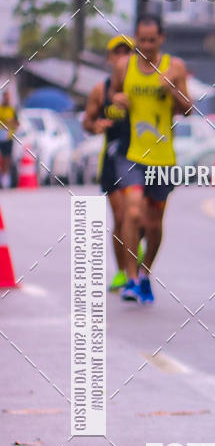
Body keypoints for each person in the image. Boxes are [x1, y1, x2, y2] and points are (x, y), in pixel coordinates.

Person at [110, 13, 190, 303]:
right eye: (141, 40)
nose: (145, 45)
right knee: (132, 212)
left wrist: (174, 92)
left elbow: (189, 109)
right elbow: (114, 94)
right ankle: (131, 278)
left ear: (161, 39)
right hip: (132, 154)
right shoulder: (124, 66)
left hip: (163, 158)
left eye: (151, 40)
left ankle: (145, 274)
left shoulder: (175, 67)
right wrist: (117, 100)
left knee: (154, 223)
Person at [83, 35, 134, 290]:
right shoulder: (100, 91)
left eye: (128, 52)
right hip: (113, 160)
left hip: (140, 159)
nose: (123, 57)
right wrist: (96, 125)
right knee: (122, 216)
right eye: (118, 52)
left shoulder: (142, 89)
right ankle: (123, 272)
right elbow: (87, 122)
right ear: (110, 58)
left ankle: (135, 261)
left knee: (140, 219)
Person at [0, 91, 18, 189]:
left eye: (8, 97)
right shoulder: (0, 109)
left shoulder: (12, 109)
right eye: (5, 97)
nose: (7, 99)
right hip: (0, 137)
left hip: (8, 137)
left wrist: (11, 124)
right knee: (1, 158)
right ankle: (2, 175)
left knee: (7, 158)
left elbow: (17, 124)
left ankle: (5, 178)